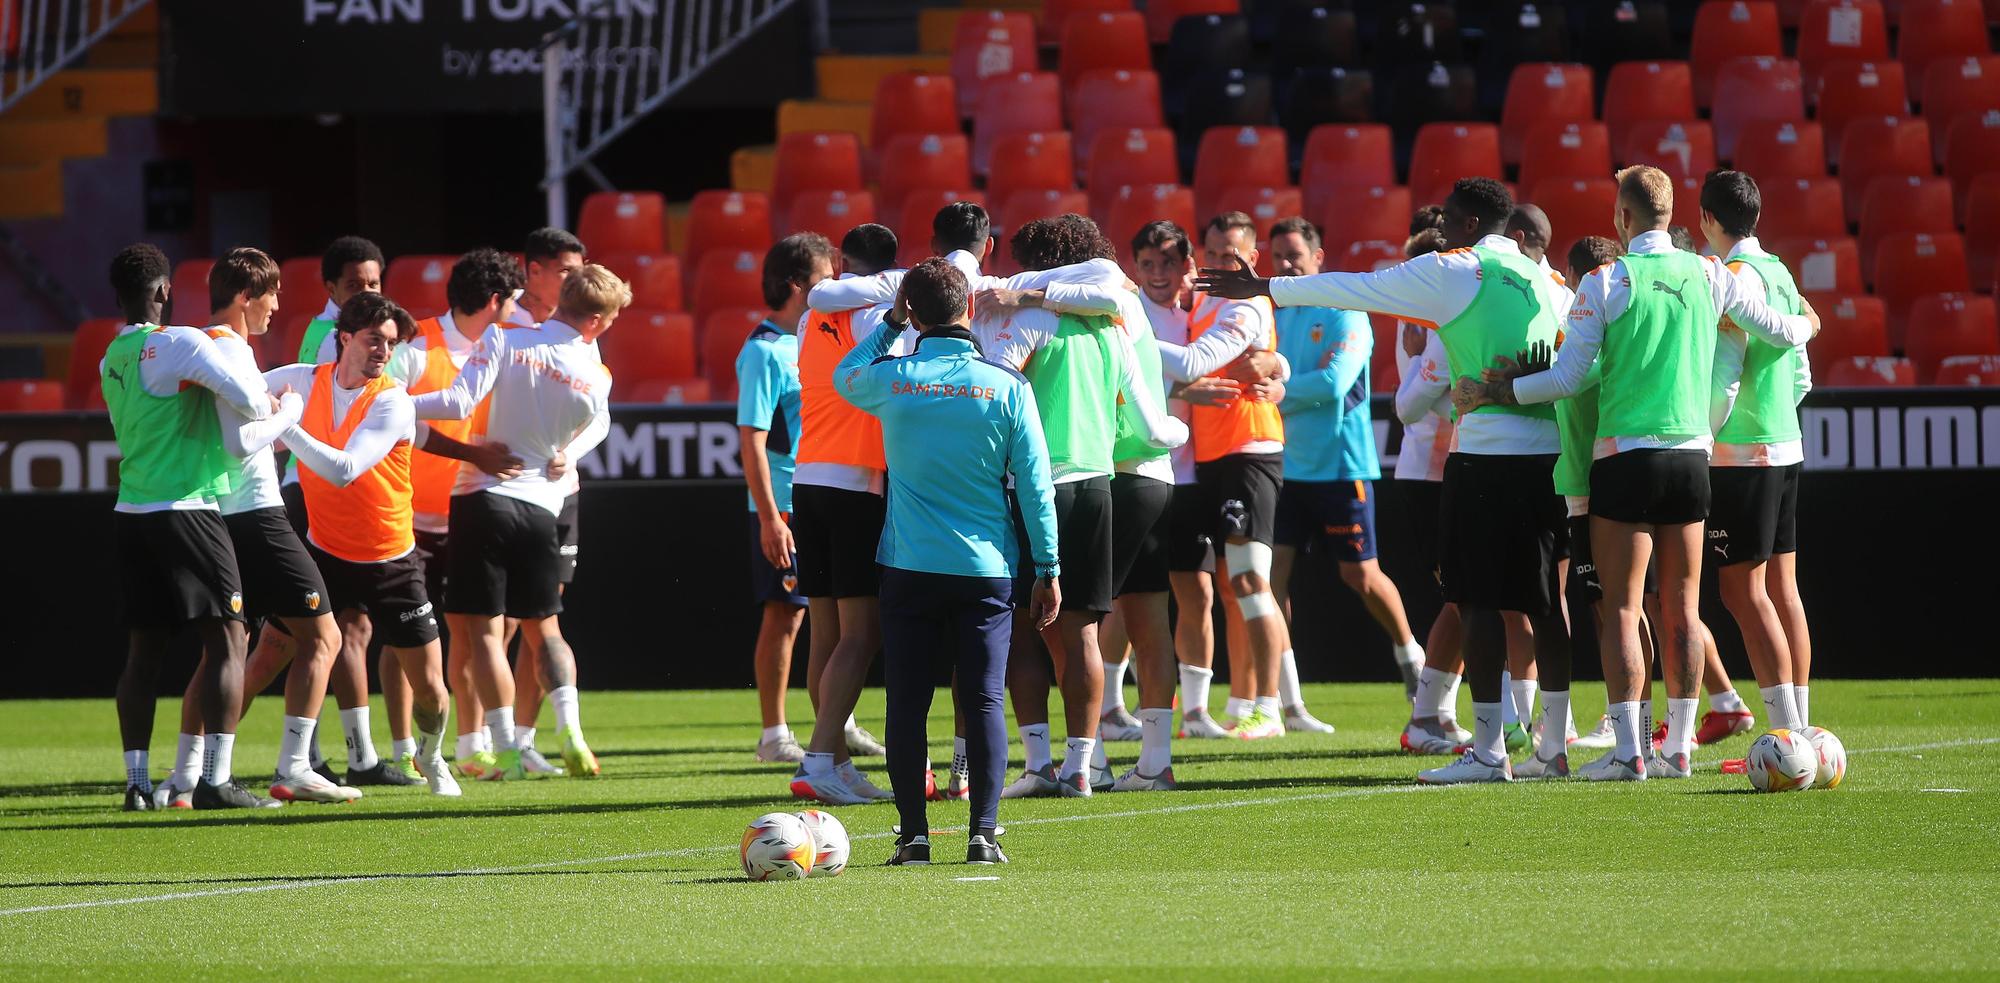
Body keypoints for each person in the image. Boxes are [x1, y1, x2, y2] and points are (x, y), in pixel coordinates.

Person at [1196, 180, 1574, 785]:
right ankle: (1553, 747)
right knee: (1545, 606)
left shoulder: (1459, 270)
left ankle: (1487, 750)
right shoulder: (1545, 280)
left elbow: (1360, 287)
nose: (1442, 231)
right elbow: (1574, 358)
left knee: (1476, 602)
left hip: (1482, 457)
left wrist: (1266, 286)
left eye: (1449, 221)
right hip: (1550, 458)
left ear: (1472, 223)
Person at [1455, 165, 1819, 780]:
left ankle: (1629, 751)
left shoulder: (1604, 280)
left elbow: (1568, 378)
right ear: (1676, 216)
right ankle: (1677, 745)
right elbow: (1782, 333)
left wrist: (1499, 388)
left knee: (1623, 608)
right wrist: (1810, 322)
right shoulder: (1710, 275)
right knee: (1683, 607)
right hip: (1692, 460)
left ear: (1621, 219)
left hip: (1625, 458)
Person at [836, 257, 1061, 867]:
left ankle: (913, 837)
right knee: (986, 699)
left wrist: (887, 327)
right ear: (969, 309)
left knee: (908, 702)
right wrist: (1049, 568)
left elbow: (844, 374)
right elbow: (1036, 488)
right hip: (987, 569)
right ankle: (983, 835)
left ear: (912, 313)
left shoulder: (893, 378)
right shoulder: (1007, 386)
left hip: (908, 567)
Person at [966, 215, 1186, 798]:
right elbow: (1153, 401)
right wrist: (1177, 429)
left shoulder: (1086, 300)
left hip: (1089, 475)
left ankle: (1062, 762)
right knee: (1129, 622)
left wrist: (1020, 294)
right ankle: (1127, 762)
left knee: (1045, 626)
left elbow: (994, 394)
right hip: (1123, 473)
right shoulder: (1109, 316)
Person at [409, 265, 625, 780]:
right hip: (542, 506)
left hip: (481, 495)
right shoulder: (596, 377)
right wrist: (567, 455)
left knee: (483, 632)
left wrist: (392, 403)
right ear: (595, 321)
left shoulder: (505, 340)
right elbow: (599, 426)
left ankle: (503, 748)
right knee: (544, 626)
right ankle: (569, 728)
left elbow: (458, 401)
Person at [102, 243, 279, 810]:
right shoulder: (176, 342)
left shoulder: (112, 357)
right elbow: (252, 401)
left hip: (132, 513)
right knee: (231, 638)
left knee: (143, 653)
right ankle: (215, 780)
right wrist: (290, 409)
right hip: (188, 508)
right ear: (163, 293)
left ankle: (136, 785)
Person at [267, 292, 462, 796]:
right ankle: (232, 769)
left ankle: (432, 753)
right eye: (375, 339)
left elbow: (344, 471)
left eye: (391, 343)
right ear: (345, 338)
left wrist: (284, 423)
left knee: (432, 692)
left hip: (391, 559)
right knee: (286, 648)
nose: (383, 351)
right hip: (325, 549)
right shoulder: (306, 379)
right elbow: (239, 391)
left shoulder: (393, 398)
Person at [182, 248, 354, 805]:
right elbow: (240, 443)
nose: (278, 307)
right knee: (323, 635)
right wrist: (289, 414)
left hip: (223, 514)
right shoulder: (229, 351)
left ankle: (185, 779)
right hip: (256, 513)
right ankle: (295, 765)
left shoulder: (208, 348)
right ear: (245, 298)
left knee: (230, 648)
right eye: (272, 295)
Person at [260, 233, 418, 786]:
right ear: (332, 291)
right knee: (280, 645)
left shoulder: (378, 343)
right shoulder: (328, 342)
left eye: (374, 282)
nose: (367, 291)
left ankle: (356, 756)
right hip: (309, 498)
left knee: (346, 631)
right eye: (356, 285)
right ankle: (207, 763)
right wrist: (276, 431)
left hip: (338, 501)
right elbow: (323, 442)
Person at [1265, 217, 1425, 732]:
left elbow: (1335, 384)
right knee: (1271, 581)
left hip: (1340, 466)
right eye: (1279, 258)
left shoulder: (1345, 311)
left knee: (1360, 574)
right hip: (1286, 466)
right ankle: (1288, 702)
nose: (1286, 265)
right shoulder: (1274, 313)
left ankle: (1412, 660)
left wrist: (1280, 389)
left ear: (1319, 258)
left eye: (1295, 255)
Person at [1699, 170, 1817, 741]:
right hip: (1785, 442)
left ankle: (1787, 732)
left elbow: (1724, 374)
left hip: (1741, 451)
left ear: (1707, 220)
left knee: (1742, 591)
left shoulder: (1734, 277)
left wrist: (1705, 435)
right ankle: (1803, 724)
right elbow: (1800, 373)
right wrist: (1779, 418)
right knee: (1782, 589)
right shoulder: (1779, 270)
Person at [739, 234, 833, 764]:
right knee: (786, 615)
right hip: (786, 505)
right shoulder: (763, 351)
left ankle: (833, 723)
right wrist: (770, 517)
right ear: (798, 285)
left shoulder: (812, 339)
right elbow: (751, 438)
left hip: (821, 493)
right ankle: (774, 733)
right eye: (824, 280)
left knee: (832, 613)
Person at [506, 228, 590, 773]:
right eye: (563, 270)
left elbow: (595, 409)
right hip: (509, 487)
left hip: (562, 491)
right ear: (529, 269)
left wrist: (572, 448)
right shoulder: (503, 323)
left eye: (578, 270)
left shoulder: (582, 326)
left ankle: (522, 737)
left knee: (541, 613)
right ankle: (480, 737)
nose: (573, 281)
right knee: (503, 623)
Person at [1389, 227, 1474, 754]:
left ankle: (1437, 714)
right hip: (1432, 475)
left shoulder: (1433, 318)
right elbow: (1410, 403)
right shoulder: (1431, 321)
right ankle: (1431, 714)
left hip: (1446, 471)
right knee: (1464, 596)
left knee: (1466, 597)